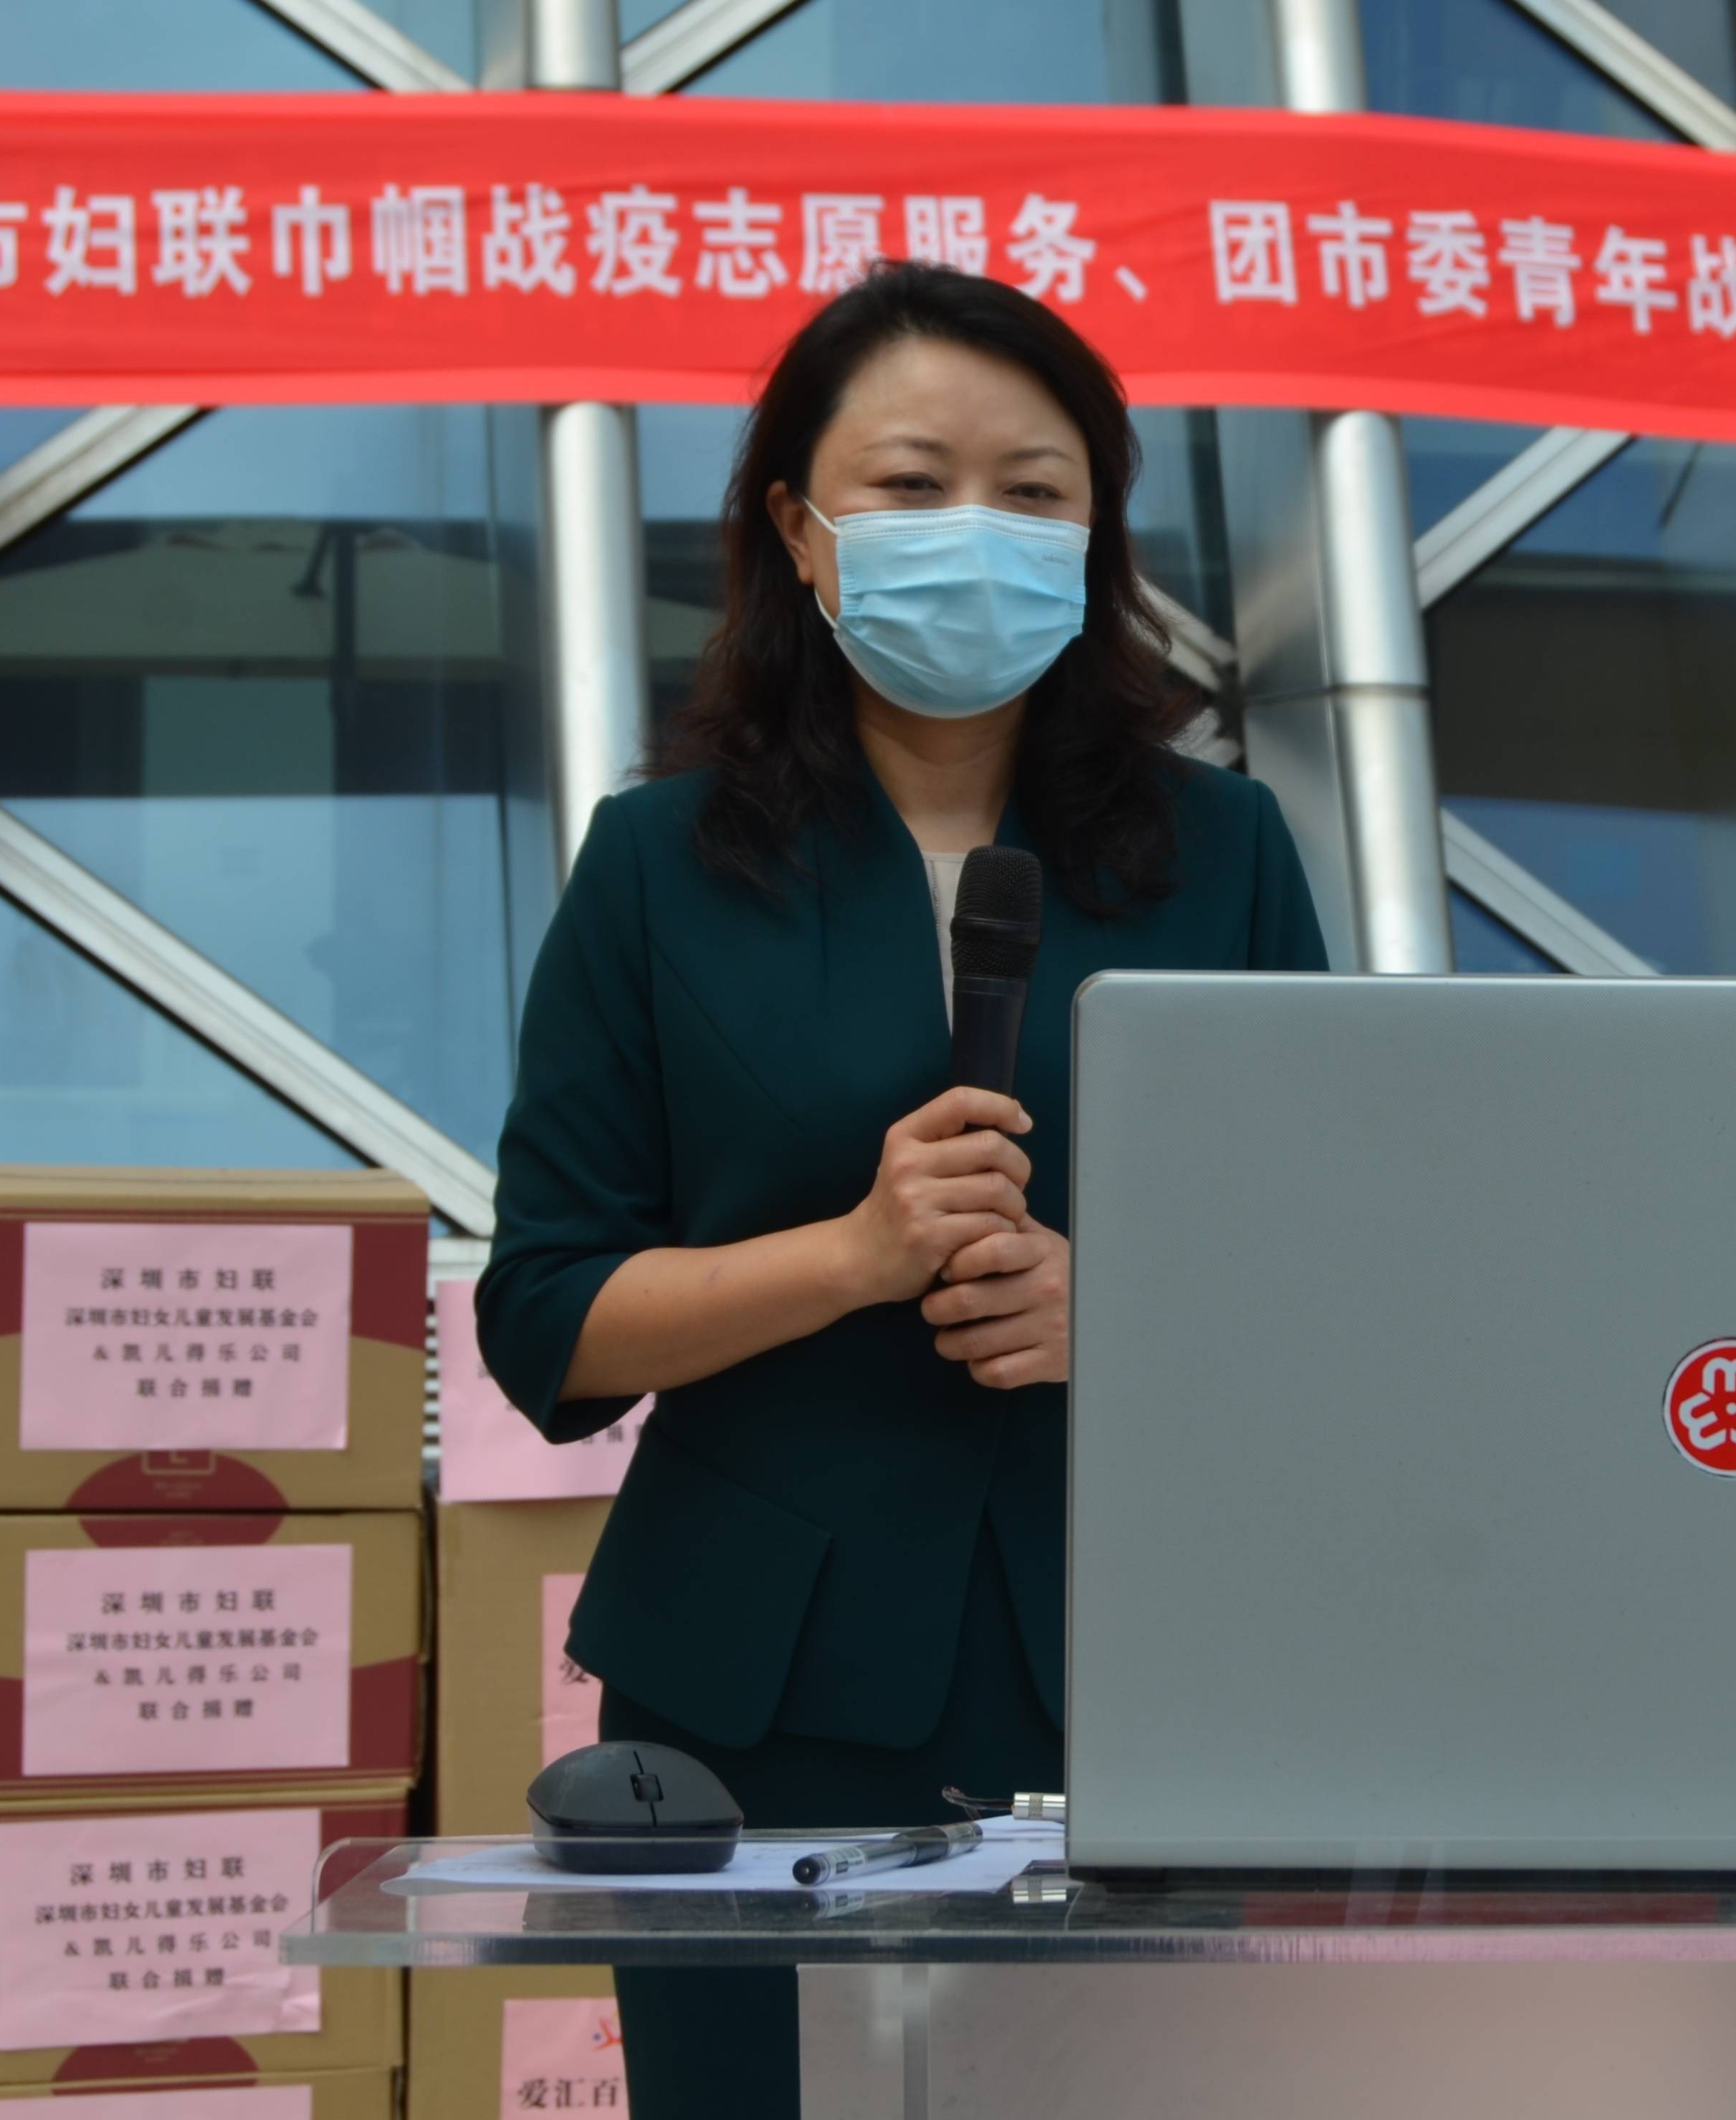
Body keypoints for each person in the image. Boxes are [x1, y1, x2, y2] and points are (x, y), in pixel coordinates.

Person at [475, 264, 1328, 2118]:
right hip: (751, 1700)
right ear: (798, 524)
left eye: (1033, 493)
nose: (977, 534)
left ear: (1094, 533)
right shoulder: (656, 867)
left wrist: (1126, 1317)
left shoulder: (1225, 853)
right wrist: (850, 1258)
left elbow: (1330, 1288)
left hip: (1131, 1679)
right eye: (914, 483)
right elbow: (546, 1316)